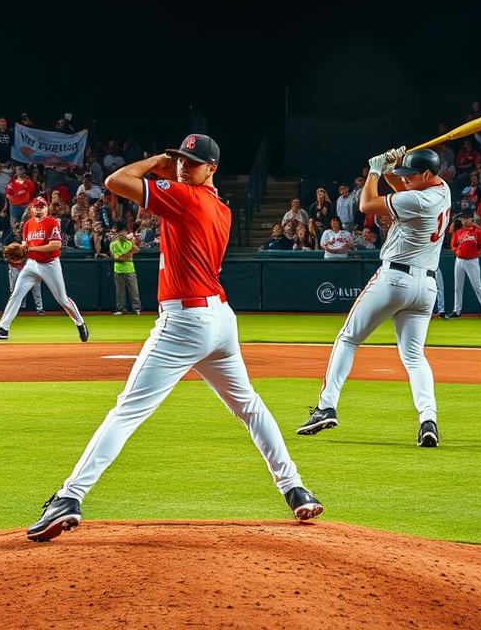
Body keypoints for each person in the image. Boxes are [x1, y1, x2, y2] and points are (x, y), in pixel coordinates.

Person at [25, 134, 321, 542]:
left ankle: (69, 497)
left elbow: (115, 182)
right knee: (250, 407)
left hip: (184, 322)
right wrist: (171, 170)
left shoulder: (186, 197)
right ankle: (295, 489)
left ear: (212, 168)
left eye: (192, 162)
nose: (183, 166)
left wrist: (154, 162)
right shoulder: (222, 208)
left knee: (127, 411)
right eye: (180, 159)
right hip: (220, 320)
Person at [297, 146, 449, 449]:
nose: (405, 179)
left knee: (348, 338)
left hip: (394, 279)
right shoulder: (441, 188)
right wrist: (393, 167)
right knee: (414, 356)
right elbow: (404, 188)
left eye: (411, 175)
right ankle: (428, 420)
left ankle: (326, 406)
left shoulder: (417, 199)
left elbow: (366, 204)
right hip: (426, 287)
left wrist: (376, 171)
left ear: (427, 174)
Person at [0, 197, 88, 342]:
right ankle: (3, 328)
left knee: (62, 299)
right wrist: (20, 251)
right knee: (16, 294)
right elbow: (25, 246)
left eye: (42, 207)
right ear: (32, 209)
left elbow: (55, 245)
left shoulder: (51, 222)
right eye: (36, 207)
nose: (39, 209)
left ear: (47, 209)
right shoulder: (28, 224)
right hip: (32, 264)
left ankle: (80, 323)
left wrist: (30, 249)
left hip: (50, 264)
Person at [447, 215, 481, 318]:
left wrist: (478, 252)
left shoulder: (477, 231)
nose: (464, 221)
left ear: (471, 219)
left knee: (477, 286)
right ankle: (456, 311)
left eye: (467, 219)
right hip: (460, 260)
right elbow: (453, 245)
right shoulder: (458, 232)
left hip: (472, 261)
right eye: (463, 219)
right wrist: (456, 251)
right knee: (458, 287)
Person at [110, 229, 141, 315]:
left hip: (130, 270)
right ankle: (120, 309)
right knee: (120, 291)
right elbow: (116, 258)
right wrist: (128, 254)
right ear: (118, 234)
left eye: (125, 233)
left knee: (134, 290)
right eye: (121, 233)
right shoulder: (113, 244)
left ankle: (136, 308)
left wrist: (123, 256)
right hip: (118, 270)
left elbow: (137, 250)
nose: (123, 235)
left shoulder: (130, 243)